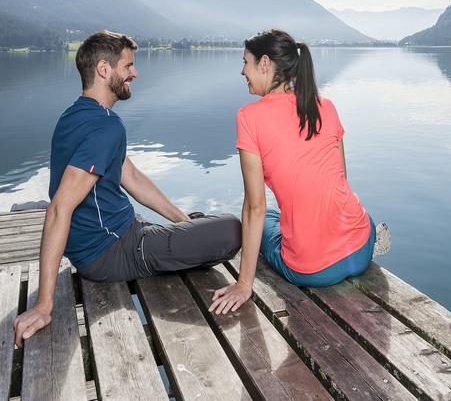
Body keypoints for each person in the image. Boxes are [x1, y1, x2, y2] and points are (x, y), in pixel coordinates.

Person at [14, 30, 241, 347]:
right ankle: (187, 236)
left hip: (116, 238)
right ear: (104, 70)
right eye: (128, 66)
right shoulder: (105, 125)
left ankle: (188, 228)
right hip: (114, 252)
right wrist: (43, 304)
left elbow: (129, 175)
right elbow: (58, 208)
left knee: (199, 227)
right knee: (232, 230)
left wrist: (181, 219)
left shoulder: (75, 115)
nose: (134, 73)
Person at [210, 29, 377, 315]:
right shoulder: (327, 106)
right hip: (362, 245)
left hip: (314, 270)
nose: (242, 71)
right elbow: (341, 180)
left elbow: (254, 207)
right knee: (288, 214)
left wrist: (243, 284)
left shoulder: (249, 117)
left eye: (245, 62)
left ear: (264, 64)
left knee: (259, 223)